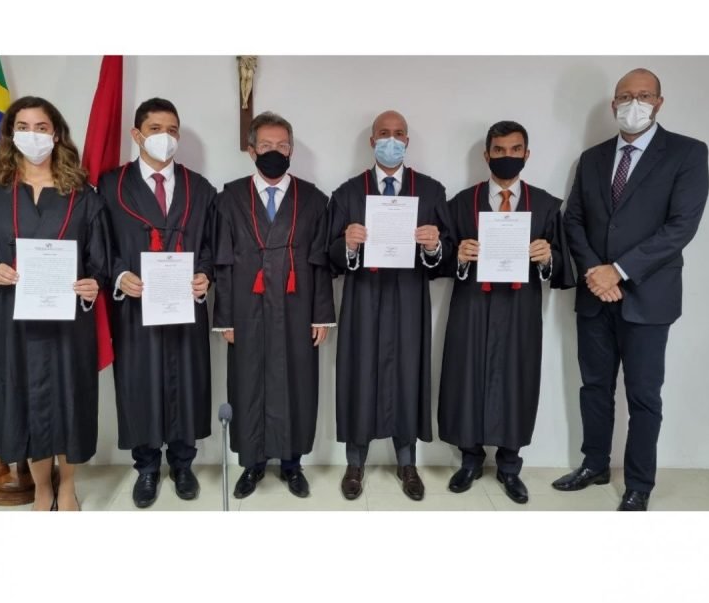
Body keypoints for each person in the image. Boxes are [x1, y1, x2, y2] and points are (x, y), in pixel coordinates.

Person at [553, 68, 709, 511]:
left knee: (643, 395)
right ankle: (594, 464)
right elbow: (574, 220)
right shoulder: (592, 158)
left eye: (643, 95)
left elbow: (681, 226)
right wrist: (595, 272)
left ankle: (639, 483)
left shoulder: (687, 153)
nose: (633, 103)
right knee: (594, 387)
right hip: (594, 295)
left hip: (648, 297)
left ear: (659, 102)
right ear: (613, 104)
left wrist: (619, 271)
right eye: (625, 96)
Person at [0, 96, 111, 511]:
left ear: (56, 134)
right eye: (23, 127)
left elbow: (99, 260)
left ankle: (68, 486)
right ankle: (42, 487)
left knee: (70, 398)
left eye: (42, 127)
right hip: (16, 318)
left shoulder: (82, 193)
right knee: (28, 400)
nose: (33, 135)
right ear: (11, 134)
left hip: (68, 319)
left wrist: (92, 283)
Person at [437, 121, 574, 504]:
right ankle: (469, 460)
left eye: (515, 150)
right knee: (466, 377)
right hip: (472, 306)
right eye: (499, 150)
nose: (507, 156)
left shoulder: (546, 205)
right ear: (487, 155)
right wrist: (458, 256)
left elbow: (564, 265)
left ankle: (510, 466)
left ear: (527, 155)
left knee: (517, 378)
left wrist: (547, 258)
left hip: (519, 308)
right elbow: (439, 259)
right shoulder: (461, 203)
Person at [327, 110, 455, 501]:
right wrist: (347, 244)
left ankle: (407, 464)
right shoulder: (348, 193)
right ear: (372, 141)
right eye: (384, 133)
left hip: (408, 296)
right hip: (363, 298)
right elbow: (329, 256)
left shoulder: (430, 191)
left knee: (408, 376)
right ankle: (355, 463)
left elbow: (449, 254)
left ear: (407, 141)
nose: (392, 140)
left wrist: (433, 245)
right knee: (358, 375)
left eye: (399, 133)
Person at [99, 98, 216, 508]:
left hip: (186, 305)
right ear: (136, 134)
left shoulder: (200, 188)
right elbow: (100, 244)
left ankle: (183, 464)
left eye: (171, 130)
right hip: (135, 308)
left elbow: (210, 245)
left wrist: (205, 275)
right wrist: (119, 275)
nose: (164, 137)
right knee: (139, 382)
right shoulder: (110, 186)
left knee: (187, 380)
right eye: (154, 129)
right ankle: (147, 467)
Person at [212, 111, 335, 499]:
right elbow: (222, 261)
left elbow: (320, 261)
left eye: (282, 145)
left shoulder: (313, 200)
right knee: (249, 383)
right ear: (251, 150)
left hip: (297, 308)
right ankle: (253, 464)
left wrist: (322, 315)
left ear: (292, 150)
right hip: (246, 309)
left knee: (297, 382)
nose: (274, 152)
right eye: (266, 145)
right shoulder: (229, 198)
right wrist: (225, 319)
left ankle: (292, 464)